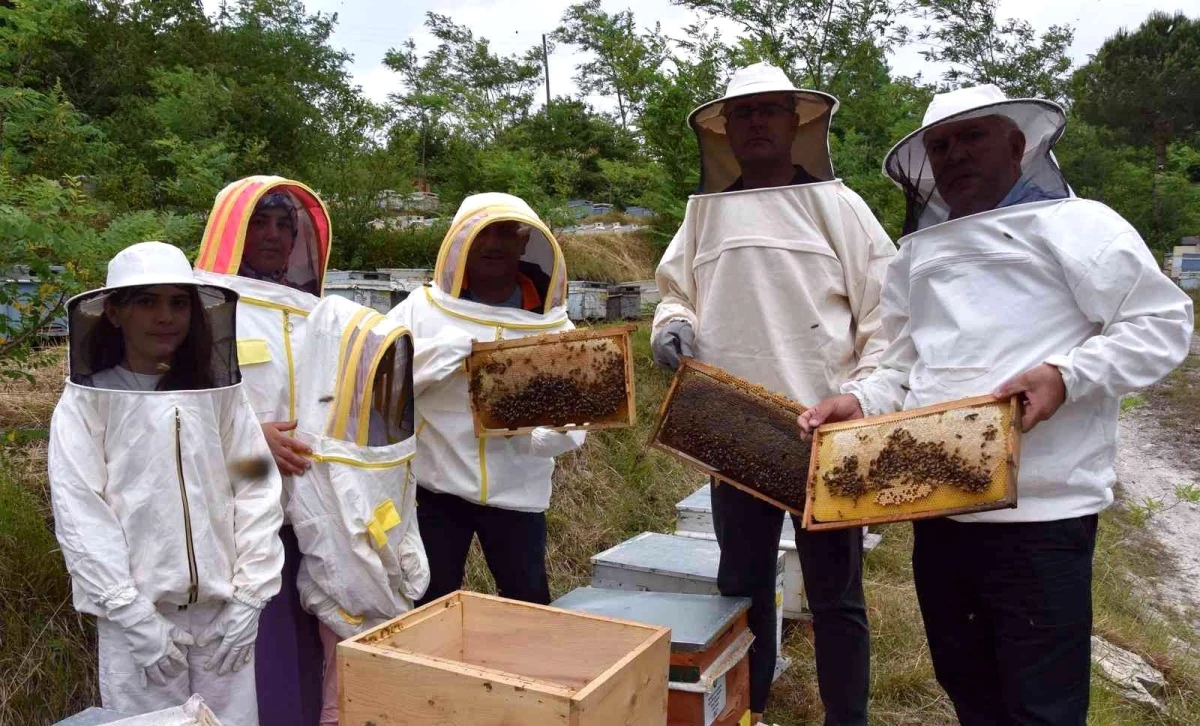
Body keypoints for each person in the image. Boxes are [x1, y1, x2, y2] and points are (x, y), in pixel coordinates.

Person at [799, 84, 1195, 725]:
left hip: (1042, 519)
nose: (953, 155)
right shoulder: (917, 255)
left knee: (1042, 705)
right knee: (968, 685)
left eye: (972, 137)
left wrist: (1067, 375)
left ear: (1017, 144)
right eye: (940, 146)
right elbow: (903, 366)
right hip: (939, 512)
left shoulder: (1080, 225)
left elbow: (1161, 323)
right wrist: (858, 400)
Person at [651, 62, 896, 724]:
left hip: (825, 435)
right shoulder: (703, 212)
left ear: (797, 122)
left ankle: (848, 718)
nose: (756, 122)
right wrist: (672, 326)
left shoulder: (840, 207)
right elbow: (676, 291)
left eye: (769, 110)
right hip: (732, 431)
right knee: (743, 587)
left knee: (836, 596)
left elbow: (886, 318)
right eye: (743, 113)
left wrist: (867, 398)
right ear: (725, 129)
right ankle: (745, 711)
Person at [49, 242, 283, 726]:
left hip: (225, 616)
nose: (166, 316)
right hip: (138, 624)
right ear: (113, 312)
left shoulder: (224, 398)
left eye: (178, 302)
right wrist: (131, 615)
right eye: (147, 301)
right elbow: (79, 511)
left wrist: (250, 598)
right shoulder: (86, 403)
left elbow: (256, 486)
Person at [387, 192, 584, 607]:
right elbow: (378, 382)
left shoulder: (557, 325)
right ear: (462, 242)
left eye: (506, 232)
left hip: (518, 493)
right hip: (435, 489)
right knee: (429, 605)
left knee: (528, 604)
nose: (494, 243)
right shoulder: (420, 310)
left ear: (524, 242)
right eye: (482, 233)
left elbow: (575, 426)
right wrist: (447, 354)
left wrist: (533, 434)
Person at [194, 176, 333, 725]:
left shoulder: (315, 312)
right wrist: (257, 446)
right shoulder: (195, 309)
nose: (274, 236)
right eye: (260, 222)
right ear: (231, 229)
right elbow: (180, 429)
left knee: (310, 656)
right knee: (260, 663)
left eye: (285, 225)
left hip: (314, 518)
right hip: (238, 516)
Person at [289, 295, 430, 726]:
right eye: (369, 362)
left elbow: (401, 510)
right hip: (350, 613)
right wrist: (387, 606)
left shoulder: (383, 432)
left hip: (390, 601)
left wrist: (410, 561)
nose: (382, 373)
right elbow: (332, 553)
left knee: (380, 701)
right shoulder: (313, 453)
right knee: (342, 701)